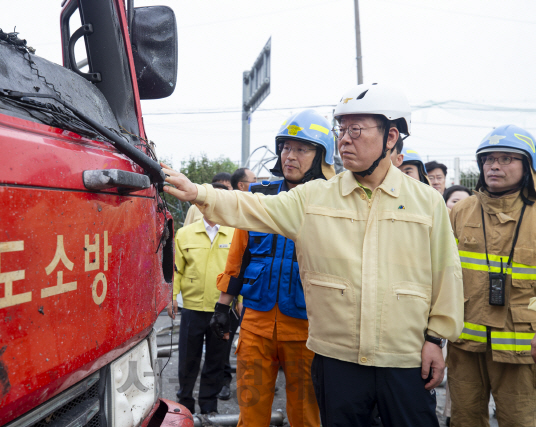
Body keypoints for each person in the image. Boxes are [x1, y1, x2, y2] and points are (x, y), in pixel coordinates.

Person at [162, 82, 464, 427]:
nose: (345, 139)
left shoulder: (426, 202)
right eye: (341, 130)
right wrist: (198, 192)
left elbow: (446, 274)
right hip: (336, 358)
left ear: (391, 136)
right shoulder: (315, 197)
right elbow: (252, 207)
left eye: (356, 130)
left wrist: (435, 339)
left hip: (404, 357)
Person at [210, 109, 335, 427]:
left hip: (307, 329)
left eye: (301, 149)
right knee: (250, 416)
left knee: (307, 416)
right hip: (256, 325)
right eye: (286, 147)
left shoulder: (334, 203)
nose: (290, 155)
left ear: (321, 155)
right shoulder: (259, 195)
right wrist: (222, 307)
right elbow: (238, 256)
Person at [448, 124, 536, 426]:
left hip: (522, 346)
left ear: (528, 166)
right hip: (465, 345)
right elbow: (442, 274)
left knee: (521, 420)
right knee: (465, 419)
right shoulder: (461, 212)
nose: (494, 166)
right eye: (488, 159)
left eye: (507, 159)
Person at [167, 198, 235, 415]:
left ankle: (208, 405)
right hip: (193, 308)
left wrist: (240, 300)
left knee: (216, 359)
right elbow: (177, 269)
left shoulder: (235, 234)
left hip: (223, 310)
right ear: (201, 207)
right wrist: (172, 297)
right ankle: (185, 402)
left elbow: (239, 271)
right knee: (188, 358)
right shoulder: (185, 233)